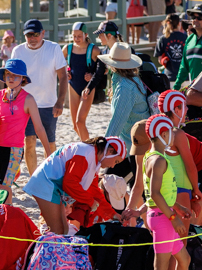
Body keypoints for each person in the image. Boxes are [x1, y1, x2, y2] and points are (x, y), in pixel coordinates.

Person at [24, 136, 125, 235]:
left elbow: (94, 191)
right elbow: (70, 183)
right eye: (116, 161)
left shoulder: (93, 158)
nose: (113, 166)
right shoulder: (86, 153)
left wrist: (113, 214)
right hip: (46, 183)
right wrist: (90, 201)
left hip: (53, 185)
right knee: (57, 231)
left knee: (64, 230)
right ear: (110, 151)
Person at [11, 19, 67, 175]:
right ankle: (34, 178)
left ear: (43, 33)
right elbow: (12, 78)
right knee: (29, 142)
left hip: (49, 104)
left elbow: (63, 77)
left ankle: (50, 175)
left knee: (49, 144)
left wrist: (60, 102)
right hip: (25, 104)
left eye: (35, 34)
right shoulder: (18, 51)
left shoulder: (54, 48)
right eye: (29, 35)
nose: (32, 38)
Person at [141, 115, 191, 270]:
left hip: (163, 213)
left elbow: (162, 192)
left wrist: (177, 207)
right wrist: (173, 218)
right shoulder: (158, 160)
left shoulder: (150, 157)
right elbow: (155, 194)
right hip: (163, 217)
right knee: (161, 265)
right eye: (171, 132)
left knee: (185, 259)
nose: (174, 136)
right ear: (163, 134)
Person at [0, 59, 51, 197]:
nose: (11, 78)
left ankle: (7, 210)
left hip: (13, 150)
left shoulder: (28, 99)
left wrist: (48, 152)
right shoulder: (0, 95)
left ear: (23, 78)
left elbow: (39, 128)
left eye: (15, 75)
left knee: (4, 187)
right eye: (8, 74)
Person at [158, 90, 202, 228]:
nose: (187, 110)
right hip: (182, 187)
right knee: (184, 236)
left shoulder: (156, 132)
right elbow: (189, 167)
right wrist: (195, 191)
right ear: (176, 110)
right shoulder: (177, 134)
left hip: (163, 189)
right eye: (185, 106)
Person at [101, 43, 152, 149]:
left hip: (132, 146)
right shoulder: (133, 79)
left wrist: (103, 147)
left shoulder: (125, 87)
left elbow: (117, 122)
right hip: (139, 141)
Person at [64, 22, 101, 141]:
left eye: (79, 36)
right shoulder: (68, 48)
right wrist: (66, 71)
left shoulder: (94, 50)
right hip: (73, 86)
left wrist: (92, 75)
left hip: (88, 87)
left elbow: (104, 70)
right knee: (75, 126)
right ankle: (87, 144)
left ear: (86, 35)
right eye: (74, 36)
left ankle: (88, 147)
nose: (76, 39)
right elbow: (58, 64)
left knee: (80, 122)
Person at [155, 14, 187, 84]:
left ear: (167, 23)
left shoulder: (162, 39)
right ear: (179, 23)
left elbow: (160, 59)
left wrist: (163, 60)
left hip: (170, 77)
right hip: (185, 77)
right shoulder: (186, 37)